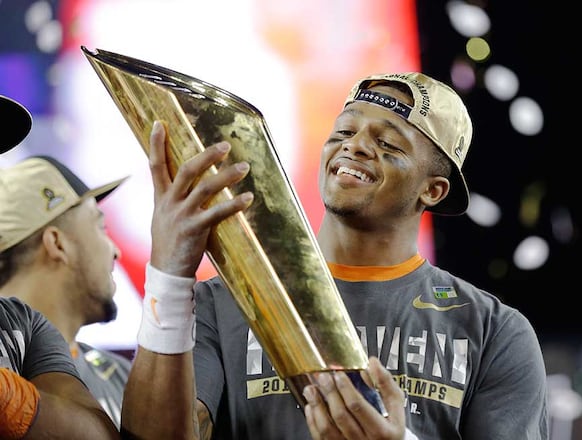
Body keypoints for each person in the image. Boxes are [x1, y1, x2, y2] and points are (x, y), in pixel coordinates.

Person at [121, 72, 549, 439]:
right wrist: (169, 272)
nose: (355, 146)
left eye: (388, 144)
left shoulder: (494, 332)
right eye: (344, 132)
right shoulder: (220, 303)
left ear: (432, 190)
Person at [0, 97, 120, 438]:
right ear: (56, 243)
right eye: (99, 226)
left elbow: (98, 435)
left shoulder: (22, 324)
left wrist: (10, 398)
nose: (114, 251)